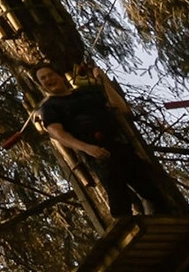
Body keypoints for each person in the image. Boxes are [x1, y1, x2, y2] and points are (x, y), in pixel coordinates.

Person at [35, 68, 170, 223]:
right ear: (41, 85)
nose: (48, 79)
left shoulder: (86, 93)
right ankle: (126, 227)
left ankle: (162, 222)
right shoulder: (49, 107)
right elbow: (58, 134)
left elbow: (121, 107)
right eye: (43, 78)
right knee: (118, 195)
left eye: (51, 74)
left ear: (59, 75)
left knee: (150, 190)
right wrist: (87, 148)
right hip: (97, 153)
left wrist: (104, 81)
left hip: (119, 146)